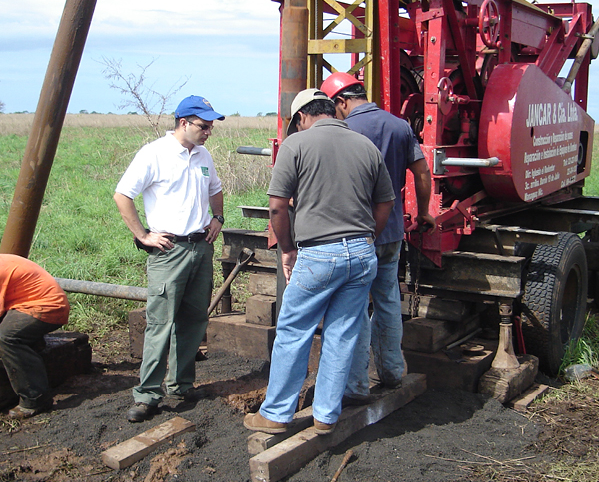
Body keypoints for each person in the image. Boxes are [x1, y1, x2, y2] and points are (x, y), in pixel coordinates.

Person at [243, 89, 395, 435]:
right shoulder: (366, 146)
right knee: (342, 333)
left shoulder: (296, 145)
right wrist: (367, 238)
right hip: (361, 253)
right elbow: (385, 203)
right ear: (332, 111)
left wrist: (286, 248)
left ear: (301, 118)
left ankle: (276, 415)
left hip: (318, 254)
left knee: (294, 331)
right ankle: (326, 415)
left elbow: (278, 206)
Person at [320, 72, 435, 402]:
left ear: (341, 101)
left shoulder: (344, 130)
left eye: (334, 107)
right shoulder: (399, 126)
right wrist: (425, 210)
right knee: (387, 301)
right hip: (391, 234)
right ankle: (392, 371)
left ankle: (355, 385)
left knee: (353, 308)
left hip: (355, 236)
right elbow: (422, 172)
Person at [114, 95, 226, 423]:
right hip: (169, 252)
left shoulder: (203, 155)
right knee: (161, 324)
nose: (208, 132)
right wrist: (143, 235)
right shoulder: (154, 154)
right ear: (183, 123)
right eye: (203, 126)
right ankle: (147, 394)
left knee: (194, 321)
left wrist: (217, 217)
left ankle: (182, 384)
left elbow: (215, 189)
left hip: (200, 248)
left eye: (210, 127)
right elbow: (123, 195)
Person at [0, 254, 70, 419]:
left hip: (48, 307)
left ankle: (35, 398)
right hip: (29, 304)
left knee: (6, 338)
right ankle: (32, 343)